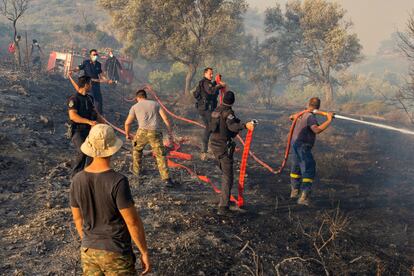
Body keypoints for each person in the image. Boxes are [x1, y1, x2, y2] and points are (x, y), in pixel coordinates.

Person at [70, 124, 151, 275]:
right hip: (116, 252)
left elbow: (77, 219)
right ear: (112, 150)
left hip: (88, 252)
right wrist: (144, 252)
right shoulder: (118, 181)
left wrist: (89, 241)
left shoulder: (77, 179)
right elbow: (132, 222)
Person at [209, 91, 254, 215]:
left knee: (224, 171)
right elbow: (232, 126)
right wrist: (246, 126)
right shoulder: (228, 113)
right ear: (233, 102)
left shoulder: (216, 110)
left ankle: (223, 198)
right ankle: (223, 207)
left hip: (213, 144)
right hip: (223, 145)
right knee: (228, 176)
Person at [124, 89, 175, 187]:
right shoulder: (155, 104)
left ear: (137, 98)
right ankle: (166, 179)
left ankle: (136, 173)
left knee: (136, 150)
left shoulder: (134, 107)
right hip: (155, 132)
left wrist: (127, 134)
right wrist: (169, 132)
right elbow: (165, 118)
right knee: (161, 155)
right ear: (145, 96)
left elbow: (127, 123)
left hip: (142, 132)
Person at [289, 97, 334, 206]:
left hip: (295, 144)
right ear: (318, 106)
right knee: (309, 168)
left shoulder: (302, 114)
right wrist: (329, 119)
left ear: (308, 104)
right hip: (303, 146)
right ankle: (304, 197)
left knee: (296, 168)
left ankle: (294, 192)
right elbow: (317, 130)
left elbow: (291, 117)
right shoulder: (310, 117)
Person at [67, 72, 102, 178]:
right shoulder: (74, 99)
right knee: (82, 151)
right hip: (77, 131)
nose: (91, 86)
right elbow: (73, 116)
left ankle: (88, 174)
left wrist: (104, 125)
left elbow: (96, 113)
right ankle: (75, 176)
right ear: (86, 85)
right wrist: (88, 121)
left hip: (90, 131)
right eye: (90, 84)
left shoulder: (90, 98)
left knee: (92, 153)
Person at [193, 67, 226, 161]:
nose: (211, 75)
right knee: (210, 127)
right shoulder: (205, 82)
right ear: (205, 74)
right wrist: (220, 86)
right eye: (210, 74)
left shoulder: (208, 83)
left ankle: (206, 150)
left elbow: (211, 88)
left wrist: (216, 82)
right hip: (205, 109)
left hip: (206, 108)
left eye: (212, 73)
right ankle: (204, 151)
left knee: (211, 127)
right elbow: (211, 91)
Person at [73, 49, 112, 114]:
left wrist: (107, 80)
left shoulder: (98, 64)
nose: (95, 56)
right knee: (88, 99)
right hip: (87, 85)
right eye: (94, 55)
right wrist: (72, 70)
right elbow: (77, 68)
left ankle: (99, 115)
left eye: (96, 55)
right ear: (90, 55)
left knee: (98, 101)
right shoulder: (86, 62)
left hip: (96, 85)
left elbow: (101, 75)